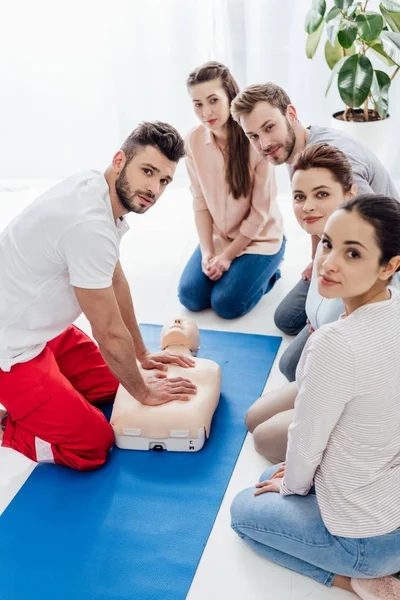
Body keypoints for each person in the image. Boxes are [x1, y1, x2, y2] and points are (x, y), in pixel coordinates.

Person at [0, 121, 198, 471]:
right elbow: (107, 331)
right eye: (148, 171)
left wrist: (140, 353)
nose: (154, 188)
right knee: (93, 446)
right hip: (12, 352)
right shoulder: (88, 225)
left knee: (111, 386)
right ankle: (5, 426)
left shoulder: (97, 188)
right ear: (120, 160)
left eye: (164, 180)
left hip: (40, 328)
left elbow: (115, 278)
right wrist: (144, 392)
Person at [231, 194, 400, 600]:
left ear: (389, 266)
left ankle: (354, 581)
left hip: (366, 543)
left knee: (243, 511)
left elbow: (305, 440)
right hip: (391, 510)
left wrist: (292, 485)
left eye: (353, 253)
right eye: (327, 244)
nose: (329, 262)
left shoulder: (334, 344)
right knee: (271, 480)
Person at [230, 82, 399, 341]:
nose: (263, 143)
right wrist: (316, 262)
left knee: (297, 360)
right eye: (253, 136)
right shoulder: (294, 150)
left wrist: (334, 314)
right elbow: (316, 217)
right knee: (285, 319)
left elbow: (375, 243)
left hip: (376, 265)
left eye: (269, 127)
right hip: (341, 251)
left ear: (291, 114)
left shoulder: (336, 160)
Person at [178, 62, 285, 319]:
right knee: (191, 297)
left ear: (230, 97)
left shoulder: (255, 140)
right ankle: (235, 269)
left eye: (213, 100)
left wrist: (227, 257)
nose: (206, 112)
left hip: (260, 238)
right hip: (220, 237)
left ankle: (271, 271)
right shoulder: (193, 141)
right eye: (198, 104)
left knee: (226, 305)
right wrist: (208, 252)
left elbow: (260, 214)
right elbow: (200, 202)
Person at [111, 317, 221, 451]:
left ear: (197, 346)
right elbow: (109, 328)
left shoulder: (208, 367)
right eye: (170, 322)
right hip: (184, 424)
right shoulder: (132, 365)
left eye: (186, 323)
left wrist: (143, 354)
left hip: (131, 428)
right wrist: (144, 392)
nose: (177, 322)